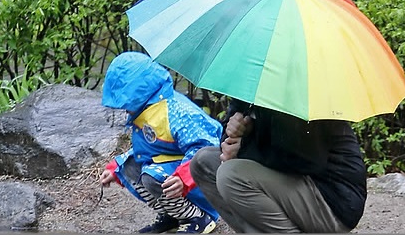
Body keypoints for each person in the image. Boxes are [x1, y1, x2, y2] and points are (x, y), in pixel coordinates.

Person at [190, 98, 367, 233]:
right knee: (203, 161)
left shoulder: (299, 92)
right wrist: (233, 132)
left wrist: (244, 147)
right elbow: (231, 142)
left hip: (331, 200)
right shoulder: (249, 86)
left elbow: (306, 160)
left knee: (231, 175)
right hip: (295, 184)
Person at [99, 52, 222, 234]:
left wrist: (184, 178)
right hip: (175, 169)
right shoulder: (146, 111)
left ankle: (197, 218)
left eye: (125, 101)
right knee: (130, 167)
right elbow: (147, 151)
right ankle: (173, 215)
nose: (124, 108)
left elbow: (205, 150)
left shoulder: (175, 112)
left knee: (151, 176)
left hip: (199, 179)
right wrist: (115, 168)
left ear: (139, 93)